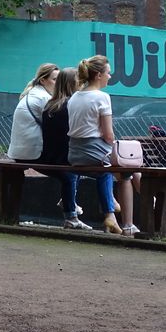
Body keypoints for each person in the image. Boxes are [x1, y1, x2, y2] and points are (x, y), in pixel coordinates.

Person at [67, 55, 139, 236]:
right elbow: (108, 135)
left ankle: (114, 215)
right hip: (95, 151)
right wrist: (115, 145)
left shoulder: (75, 96)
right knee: (128, 172)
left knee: (115, 170)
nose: (110, 76)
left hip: (74, 153)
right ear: (98, 75)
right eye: (108, 73)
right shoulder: (102, 97)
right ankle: (130, 224)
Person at [37, 68, 90, 229]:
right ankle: (71, 216)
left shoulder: (50, 105)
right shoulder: (70, 105)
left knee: (74, 172)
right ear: (73, 84)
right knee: (75, 173)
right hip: (63, 158)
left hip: (49, 155)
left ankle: (69, 203)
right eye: (79, 82)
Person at [7, 63, 59, 161]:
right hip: (33, 154)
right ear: (42, 80)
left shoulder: (33, 93)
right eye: (55, 80)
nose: (58, 84)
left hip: (18, 152)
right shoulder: (43, 97)